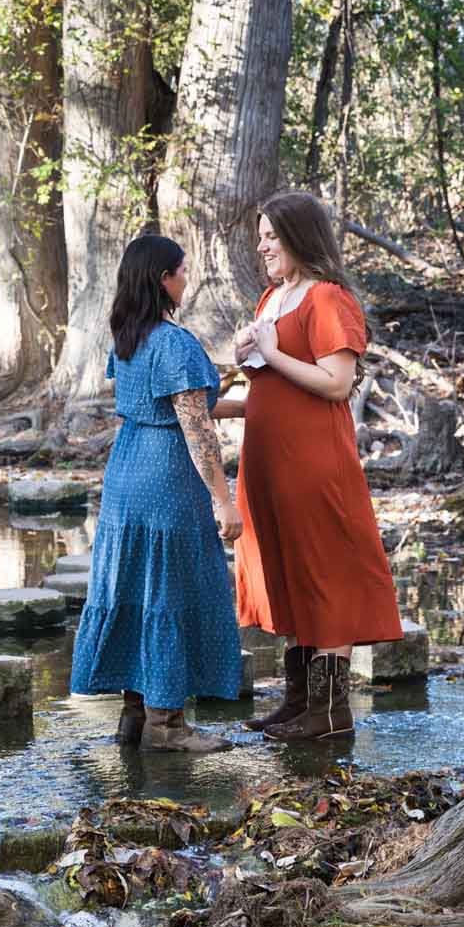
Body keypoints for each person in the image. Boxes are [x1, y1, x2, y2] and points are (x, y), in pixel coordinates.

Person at [213, 190, 401, 740]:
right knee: (287, 572)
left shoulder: (327, 298)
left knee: (325, 573)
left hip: (315, 462)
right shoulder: (271, 300)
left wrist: (270, 353)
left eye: (273, 235)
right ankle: (299, 702)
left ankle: (329, 711)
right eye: (261, 236)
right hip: (268, 462)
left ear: (301, 237)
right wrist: (227, 384)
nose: (263, 245)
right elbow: (272, 394)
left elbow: (337, 383)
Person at [71, 232, 243, 753]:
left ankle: (134, 714)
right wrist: (224, 498)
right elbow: (195, 429)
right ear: (163, 279)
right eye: (182, 271)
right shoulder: (176, 343)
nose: (187, 279)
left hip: (126, 472)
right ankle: (168, 724)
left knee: (133, 585)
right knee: (170, 588)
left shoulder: (127, 337)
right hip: (167, 478)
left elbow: (167, 406)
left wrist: (247, 408)